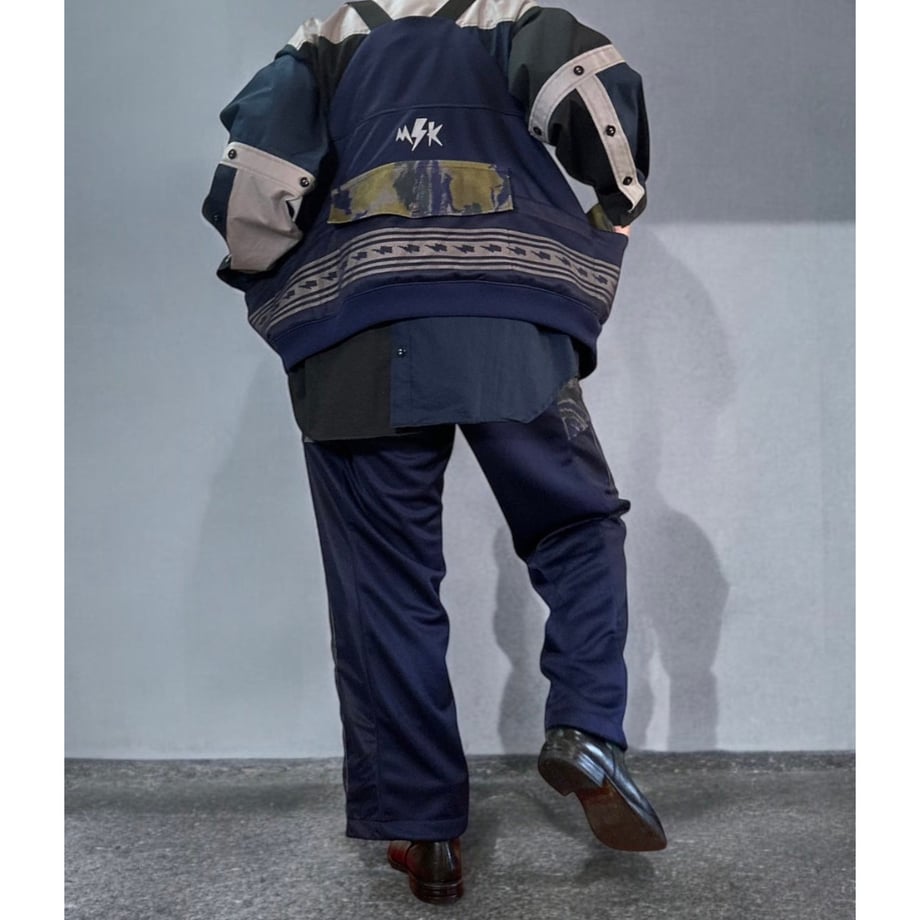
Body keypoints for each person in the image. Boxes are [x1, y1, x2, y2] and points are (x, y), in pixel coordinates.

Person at [202, 0, 665, 904]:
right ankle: (586, 728)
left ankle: (425, 831)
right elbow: (595, 98)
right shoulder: (516, 17)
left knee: (383, 584)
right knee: (574, 524)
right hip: (509, 323)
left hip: (358, 339)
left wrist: (267, 266)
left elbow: (252, 188)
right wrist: (618, 203)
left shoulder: (325, 41)